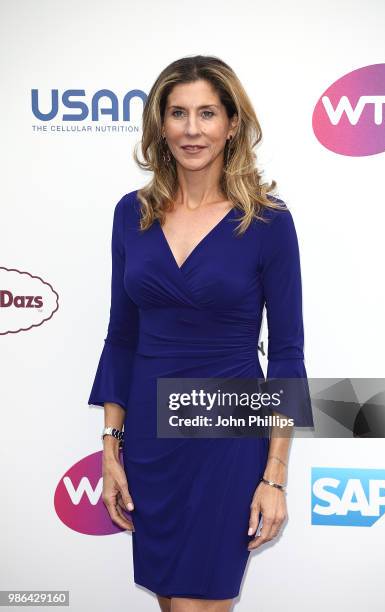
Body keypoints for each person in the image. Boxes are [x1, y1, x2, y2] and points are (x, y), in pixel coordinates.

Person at [88, 55, 313, 612]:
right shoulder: (131, 214)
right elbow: (121, 336)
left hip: (226, 434)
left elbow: (286, 351)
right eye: (179, 113)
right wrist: (111, 449)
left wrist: (275, 476)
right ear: (160, 126)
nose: (193, 129)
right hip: (148, 438)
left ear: (232, 124)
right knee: (172, 602)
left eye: (207, 113)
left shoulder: (267, 222)